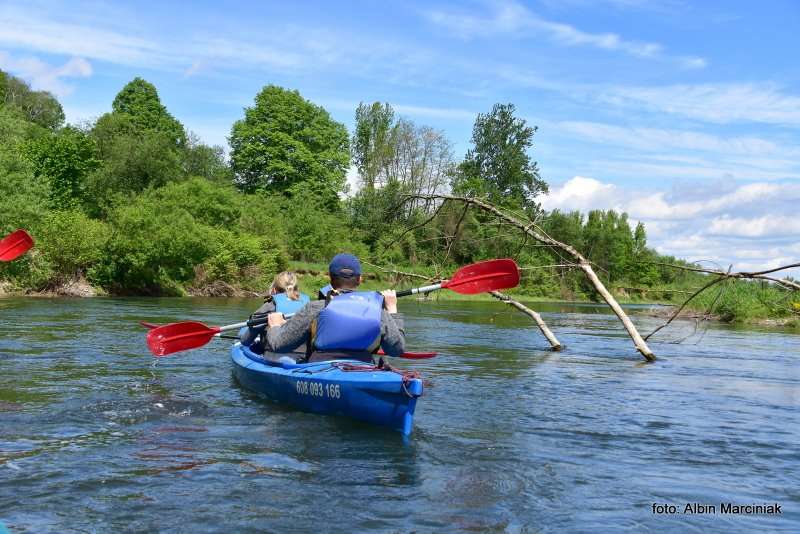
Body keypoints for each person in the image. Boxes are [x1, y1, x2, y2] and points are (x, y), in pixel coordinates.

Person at [265, 253, 405, 363]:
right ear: (359, 279)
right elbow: (397, 350)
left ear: (331, 279)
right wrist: (392, 309)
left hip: (320, 370)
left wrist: (275, 326)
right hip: (363, 368)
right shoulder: (377, 312)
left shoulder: (316, 308)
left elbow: (279, 344)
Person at [240, 271, 310, 353]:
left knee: (245, 328)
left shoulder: (270, 304)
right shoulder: (310, 304)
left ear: (274, 289)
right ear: (297, 289)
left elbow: (246, 341)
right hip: (304, 355)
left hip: (274, 355)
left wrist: (245, 331)